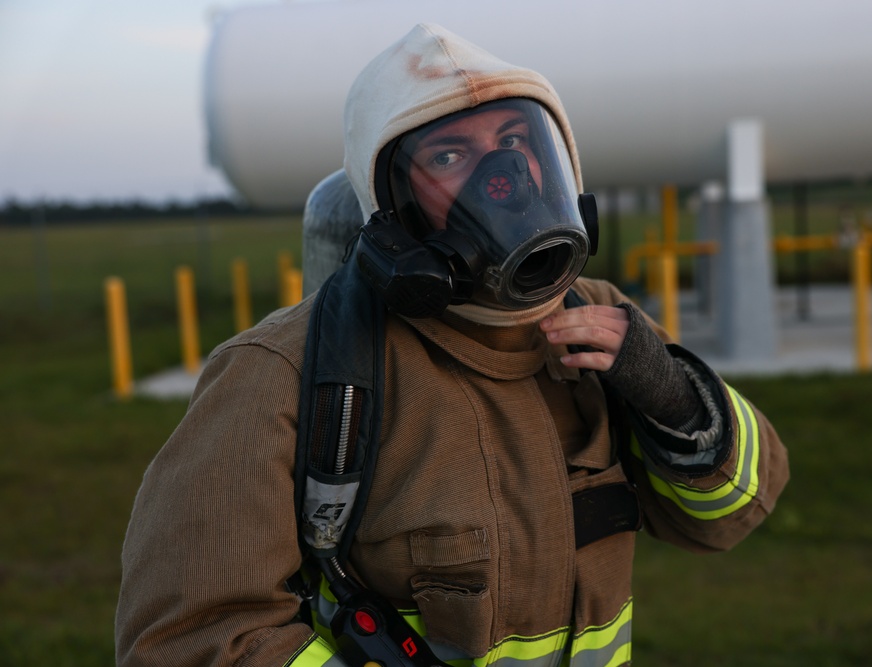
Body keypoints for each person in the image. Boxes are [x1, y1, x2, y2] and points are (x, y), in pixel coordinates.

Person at [115, 23, 789, 667]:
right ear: (393, 205)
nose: (503, 180)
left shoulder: (604, 319)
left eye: (514, 141)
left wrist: (669, 393)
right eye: (448, 156)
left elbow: (732, 511)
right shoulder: (283, 372)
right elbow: (190, 637)